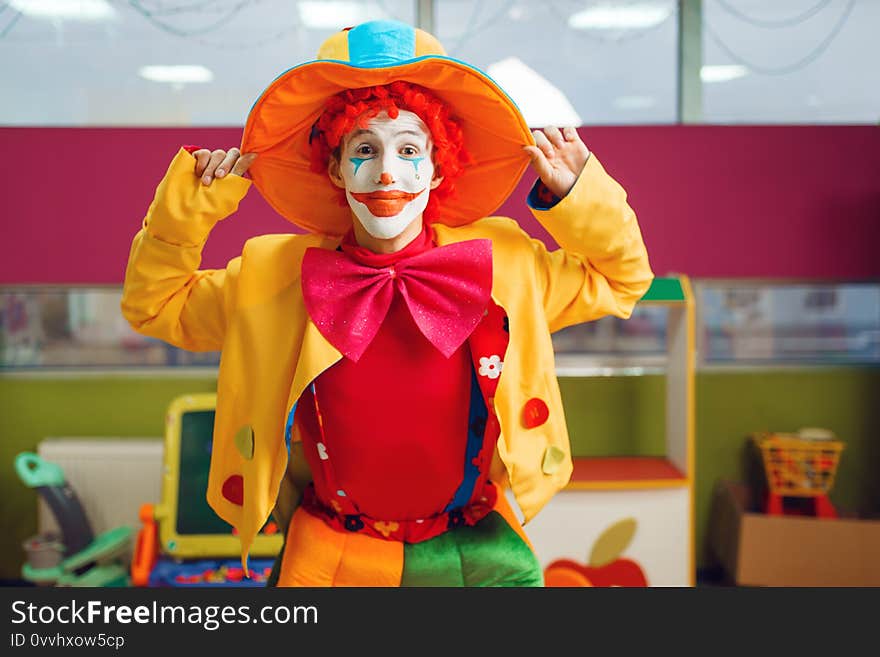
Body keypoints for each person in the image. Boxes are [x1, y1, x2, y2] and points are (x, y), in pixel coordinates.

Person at [121, 20, 654, 587]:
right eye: (364, 149)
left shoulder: (505, 266)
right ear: (334, 167)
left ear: (439, 166)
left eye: (408, 149)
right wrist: (186, 215)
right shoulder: (275, 278)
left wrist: (580, 197)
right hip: (331, 552)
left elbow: (621, 279)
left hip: (473, 547)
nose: (386, 173)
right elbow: (155, 305)